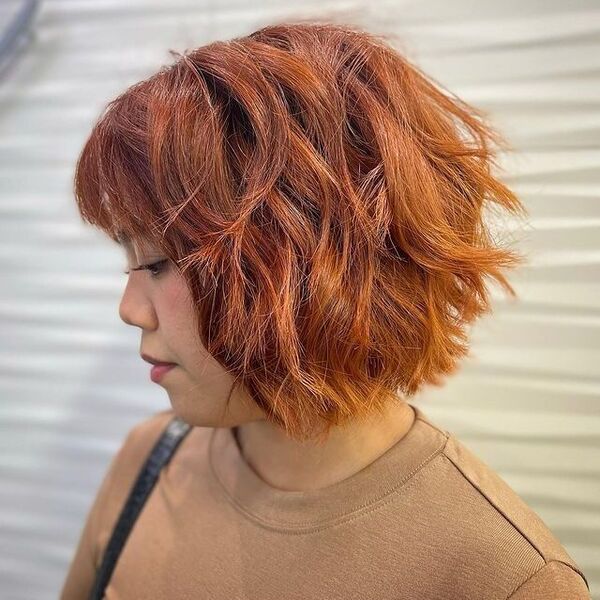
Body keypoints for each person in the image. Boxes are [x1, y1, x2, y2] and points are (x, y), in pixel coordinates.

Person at [59, 20, 591, 599]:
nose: (130, 309)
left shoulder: (500, 577)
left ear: (313, 268)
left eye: (159, 262)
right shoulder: (151, 459)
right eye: (129, 261)